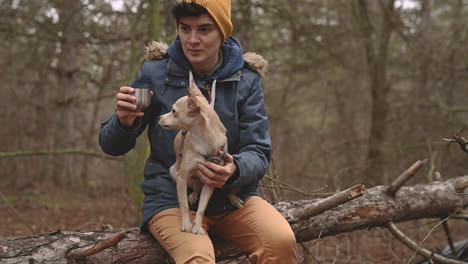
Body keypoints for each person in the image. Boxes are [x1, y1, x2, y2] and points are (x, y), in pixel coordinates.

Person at [99, 0, 297, 263]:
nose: (192, 40)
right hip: (171, 198)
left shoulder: (245, 80)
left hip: (233, 198)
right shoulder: (155, 73)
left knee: (280, 242)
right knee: (197, 257)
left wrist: (233, 169)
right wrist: (123, 121)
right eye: (185, 29)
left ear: (222, 32)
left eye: (204, 29)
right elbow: (112, 146)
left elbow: (259, 151)